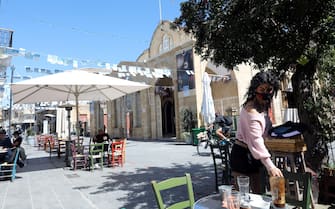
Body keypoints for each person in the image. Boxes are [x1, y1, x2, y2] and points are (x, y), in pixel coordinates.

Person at [230, 71, 283, 194]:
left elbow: (264, 132)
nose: (265, 93)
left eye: (269, 90)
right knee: (243, 197)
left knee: (259, 195)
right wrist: (271, 166)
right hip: (242, 154)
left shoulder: (262, 106)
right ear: (255, 89)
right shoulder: (251, 111)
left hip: (255, 155)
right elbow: (256, 140)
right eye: (262, 89)